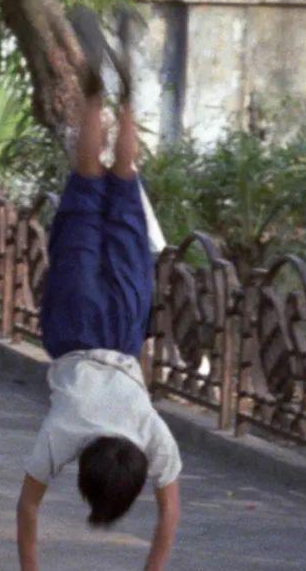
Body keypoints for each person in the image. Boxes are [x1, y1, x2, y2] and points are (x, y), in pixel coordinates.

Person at [16, 28, 182, 571]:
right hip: (71, 322)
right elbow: (28, 507)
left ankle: (126, 101)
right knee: (87, 182)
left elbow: (170, 514)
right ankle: (93, 96)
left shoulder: (152, 437)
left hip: (126, 326)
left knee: (123, 180)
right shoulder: (61, 435)